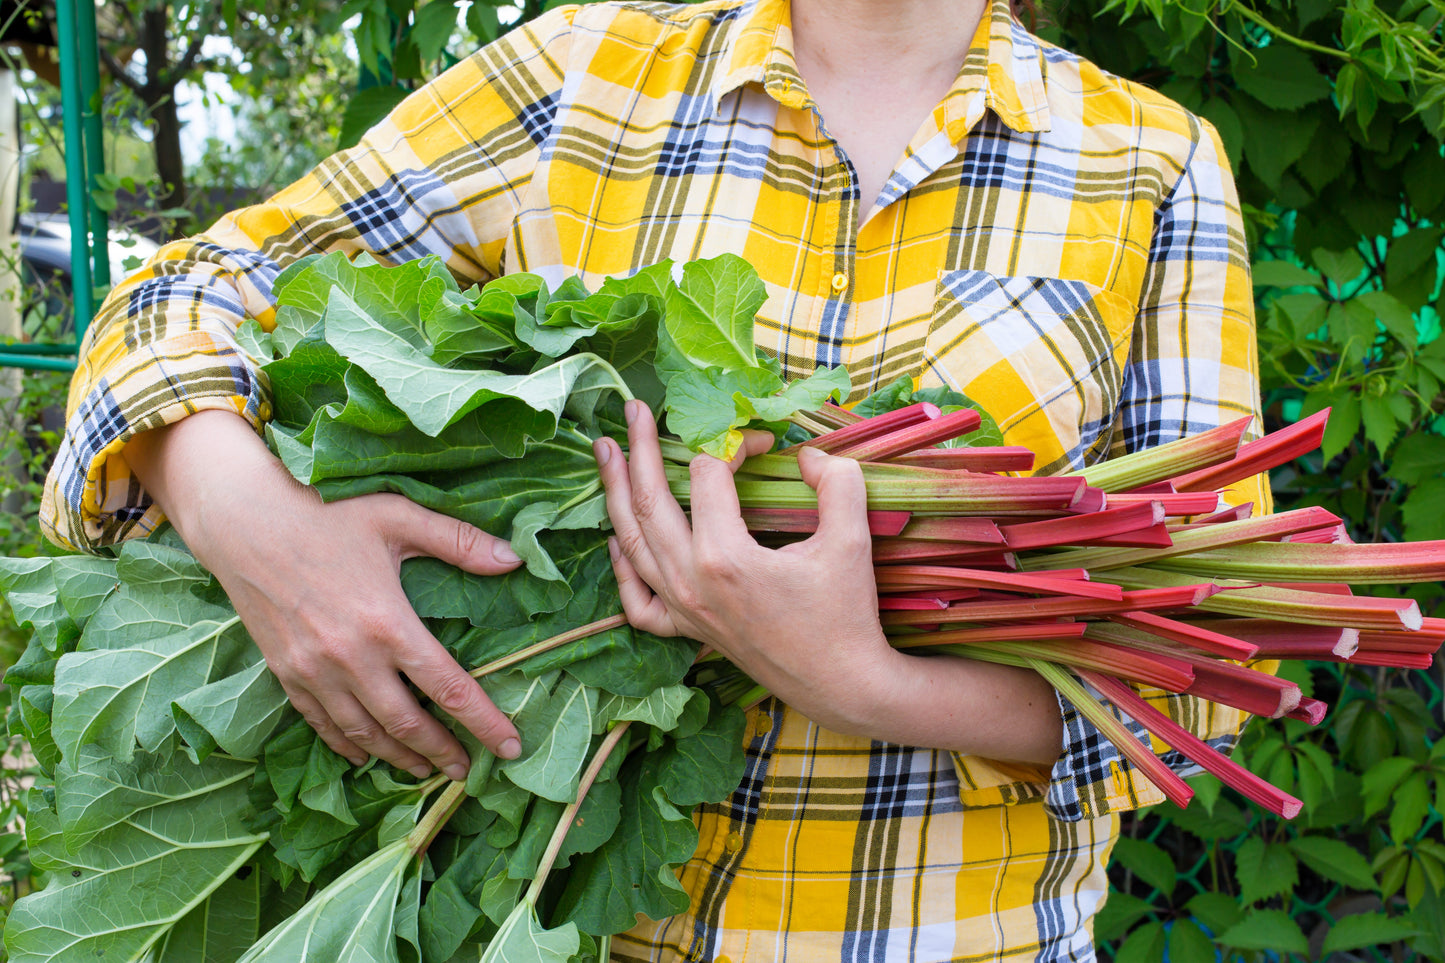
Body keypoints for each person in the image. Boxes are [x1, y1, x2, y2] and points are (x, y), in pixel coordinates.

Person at [42, 0, 1270, 958]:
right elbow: (185, 289)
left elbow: (1216, 671)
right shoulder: (583, 75)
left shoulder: (1150, 164)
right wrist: (255, 528)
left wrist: (865, 683)